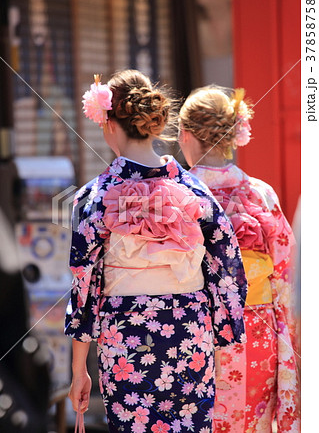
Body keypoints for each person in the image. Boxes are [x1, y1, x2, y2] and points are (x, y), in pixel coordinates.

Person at [65, 70, 247, 432]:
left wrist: (78, 368)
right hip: (190, 330)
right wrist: (223, 331)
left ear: (109, 123)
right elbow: (228, 264)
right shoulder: (194, 190)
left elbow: (83, 283)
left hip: (126, 331)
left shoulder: (95, 197)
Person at [178, 86, 300, 432]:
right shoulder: (260, 193)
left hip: (193, 333)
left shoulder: (178, 195)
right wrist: (289, 340)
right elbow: (285, 274)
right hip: (257, 333)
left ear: (185, 135)